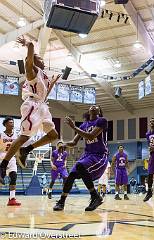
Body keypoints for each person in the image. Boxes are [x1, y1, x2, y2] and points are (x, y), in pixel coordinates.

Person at [0, 37, 61, 184]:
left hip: (42, 106)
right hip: (32, 105)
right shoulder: (31, 71)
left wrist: (52, 83)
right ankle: (2, 166)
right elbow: (31, 52)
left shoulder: (42, 75)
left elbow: (44, 94)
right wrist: (29, 45)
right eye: (39, 58)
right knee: (23, 137)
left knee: (53, 135)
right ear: (33, 61)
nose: (42, 59)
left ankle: (26, 150)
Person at [53, 105, 108, 211]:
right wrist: (64, 144)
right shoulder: (83, 125)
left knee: (79, 165)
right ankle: (61, 202)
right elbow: (74, 142)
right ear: (88, 111)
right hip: (87, 154)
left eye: (96, 106)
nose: (93, 106)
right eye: (91, 105)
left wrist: (74, 127)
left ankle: (94, 196)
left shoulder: (102, 121)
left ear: (99, 111)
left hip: (99, 155)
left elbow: (91, 136)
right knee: (71, 175)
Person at [0, 117, 21, 206]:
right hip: (2, 158)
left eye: (13, 122)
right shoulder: (1, 135)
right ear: (5, 124)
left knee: (14, 177)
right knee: (1, 180)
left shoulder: (16, 135)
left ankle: (12, 199)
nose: (12, 124)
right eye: (10, 122)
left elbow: (18, 148)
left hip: (12, 159)